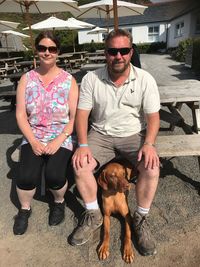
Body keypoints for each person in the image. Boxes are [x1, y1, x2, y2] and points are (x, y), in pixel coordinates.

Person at [70, 29, 160, 257]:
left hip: (133, 134)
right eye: (113, 51)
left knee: (151, 167)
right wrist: (82, 145)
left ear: (131, 52)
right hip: (100, 134)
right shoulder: (92, 78)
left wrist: (149, 143)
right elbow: (82, 115)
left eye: (123, 50)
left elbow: (153, 117)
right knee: (80, 166)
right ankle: (94, 214)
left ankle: (140, 218)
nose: (118, 55)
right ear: (105, 53)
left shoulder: (144, 79)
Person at [13, 31, 79, 235]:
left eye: (51, 49)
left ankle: (58, 202)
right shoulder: (26, 78)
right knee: (25, 177)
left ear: (58, 51)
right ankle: (24, 209)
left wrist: (59, 140)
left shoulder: (69, 80)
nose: (47, 52)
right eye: (42, 48)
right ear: (37, 50)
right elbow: (20, 114)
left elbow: (75, 117)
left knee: (54, 175)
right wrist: (32, 141)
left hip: (62, 135)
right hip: (34, 135)